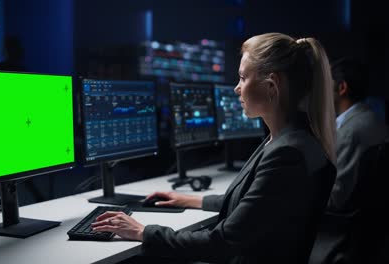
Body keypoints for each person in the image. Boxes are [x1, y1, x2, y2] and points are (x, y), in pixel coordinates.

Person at [91, 32, 337, 263]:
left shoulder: (287, 154)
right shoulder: (292, 139)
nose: (236, 88)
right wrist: (188, 199)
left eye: (242, 77)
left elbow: (222, 243)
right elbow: (252, 206)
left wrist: (144, 232)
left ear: (272, 85)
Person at [309, 58, 388, 264]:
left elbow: (336, 200)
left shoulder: (351, 132)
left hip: (339, 237)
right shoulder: (375, 122)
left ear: (342, 87)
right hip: (369, 237)